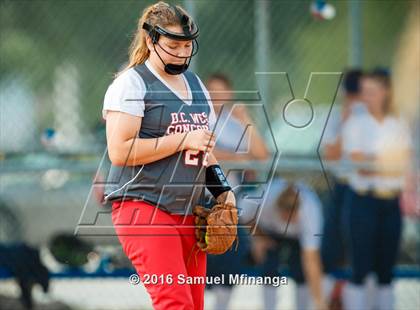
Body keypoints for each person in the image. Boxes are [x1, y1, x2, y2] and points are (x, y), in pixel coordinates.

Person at [101, 2, 236, 309]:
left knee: (193, 303)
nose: (182, 52)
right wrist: (182, 139)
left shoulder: (196, 86)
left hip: (188, 210)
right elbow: (120, 150)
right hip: (142, 206)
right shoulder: (132, 84)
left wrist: (223, 191)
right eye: (173, 45)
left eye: (187, 46)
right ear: (151, 41)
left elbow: (205, 149)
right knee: (175, 302)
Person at [341, 69, 412, 310]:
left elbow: (404, 163)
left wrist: (380, 162)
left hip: (391, 202)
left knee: (385, 270)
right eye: (364, 92)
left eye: (372, 91)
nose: (366, 97)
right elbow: (361, 166)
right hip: (364, 201)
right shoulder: (356, 123)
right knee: (361, 268)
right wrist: (387, 161)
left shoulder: (397, 123)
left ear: (385, 92)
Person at [203, 73, 270, 310]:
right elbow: (209, 154)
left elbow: (262, 155)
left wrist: (247, 121)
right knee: (201, 262)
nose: (215, 98)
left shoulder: (234, 124)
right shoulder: (201, 118)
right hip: (200, 199)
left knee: (230, 259)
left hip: (227, 202)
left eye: (220, 93)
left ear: (229, 95)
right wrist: (240, 157)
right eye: (211, 92)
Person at [240, 178, 326, 310]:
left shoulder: (311, 211)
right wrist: (259, 237)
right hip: (269, 231)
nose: (288, 222)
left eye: (292, 219)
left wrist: (320, 303)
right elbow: (243, 215)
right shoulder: (265, 198)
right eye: (285, 218)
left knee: (301, 273)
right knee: (269, 269)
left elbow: (311, 260)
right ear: (277, 209)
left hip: (297, 237)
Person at [320, 69, 365, 302]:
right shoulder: (338, 117)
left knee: (363, 252)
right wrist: (346, 123)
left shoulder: (374, 119)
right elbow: (331, 154)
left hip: (365, 189)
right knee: (331, 247)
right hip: (342, 186)